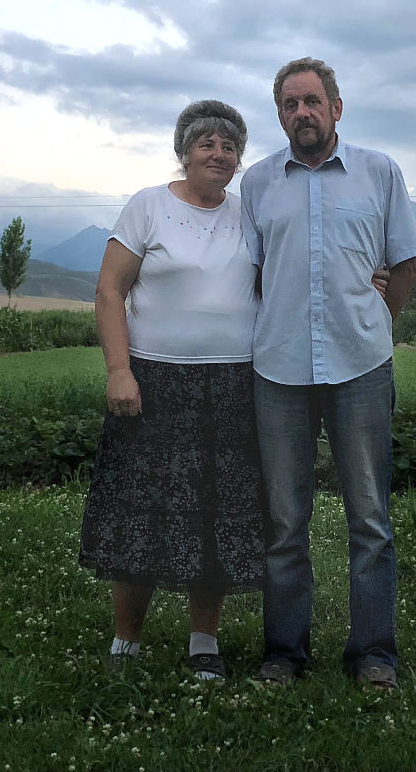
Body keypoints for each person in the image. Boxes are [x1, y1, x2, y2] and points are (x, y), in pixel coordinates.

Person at [241, 57, 416, 691]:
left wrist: (375, 320)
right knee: (283, 522)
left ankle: (374, 653)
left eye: (312, 101)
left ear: (337, 108)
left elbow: (404, 263)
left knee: (369, 518)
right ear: (280, 116)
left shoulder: (379, 172)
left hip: (360, 367)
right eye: (290, 104)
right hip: (279, 370)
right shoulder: (258, 182)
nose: (303, 113)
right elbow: (254, 273)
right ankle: (284, 653)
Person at [78, 100, 264, 681]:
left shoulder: (249, 214)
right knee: (140, 510)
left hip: (231, 385)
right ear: (184, 152)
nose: (219, 154)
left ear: (239, 159)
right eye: (206, 143)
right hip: (154, 381)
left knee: (215, 513)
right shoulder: (148, 205)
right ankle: (126, 641)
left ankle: (204, 641)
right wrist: (119, 371)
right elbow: (110, 291)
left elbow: (287, 278)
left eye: (229, 146)